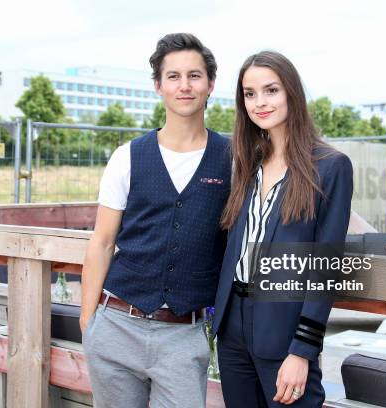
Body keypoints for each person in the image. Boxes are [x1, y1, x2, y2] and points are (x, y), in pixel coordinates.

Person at [79, 33, 231, 408]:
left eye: (194, 76)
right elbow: (101, 243)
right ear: (158, 86)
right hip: (116, 325)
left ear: (210, 84)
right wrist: (88, 324)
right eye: (174, 76)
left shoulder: (233, 157)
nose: (185, 86)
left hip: (183, 334)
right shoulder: (127, 156)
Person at [212, 51, 353, 407]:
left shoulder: (331, 167)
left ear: (291, 92)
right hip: (233, 333)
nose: (259, 102)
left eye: (270, 90)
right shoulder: (247, 163)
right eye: (249, 93)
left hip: (285, 330)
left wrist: (302, 351)